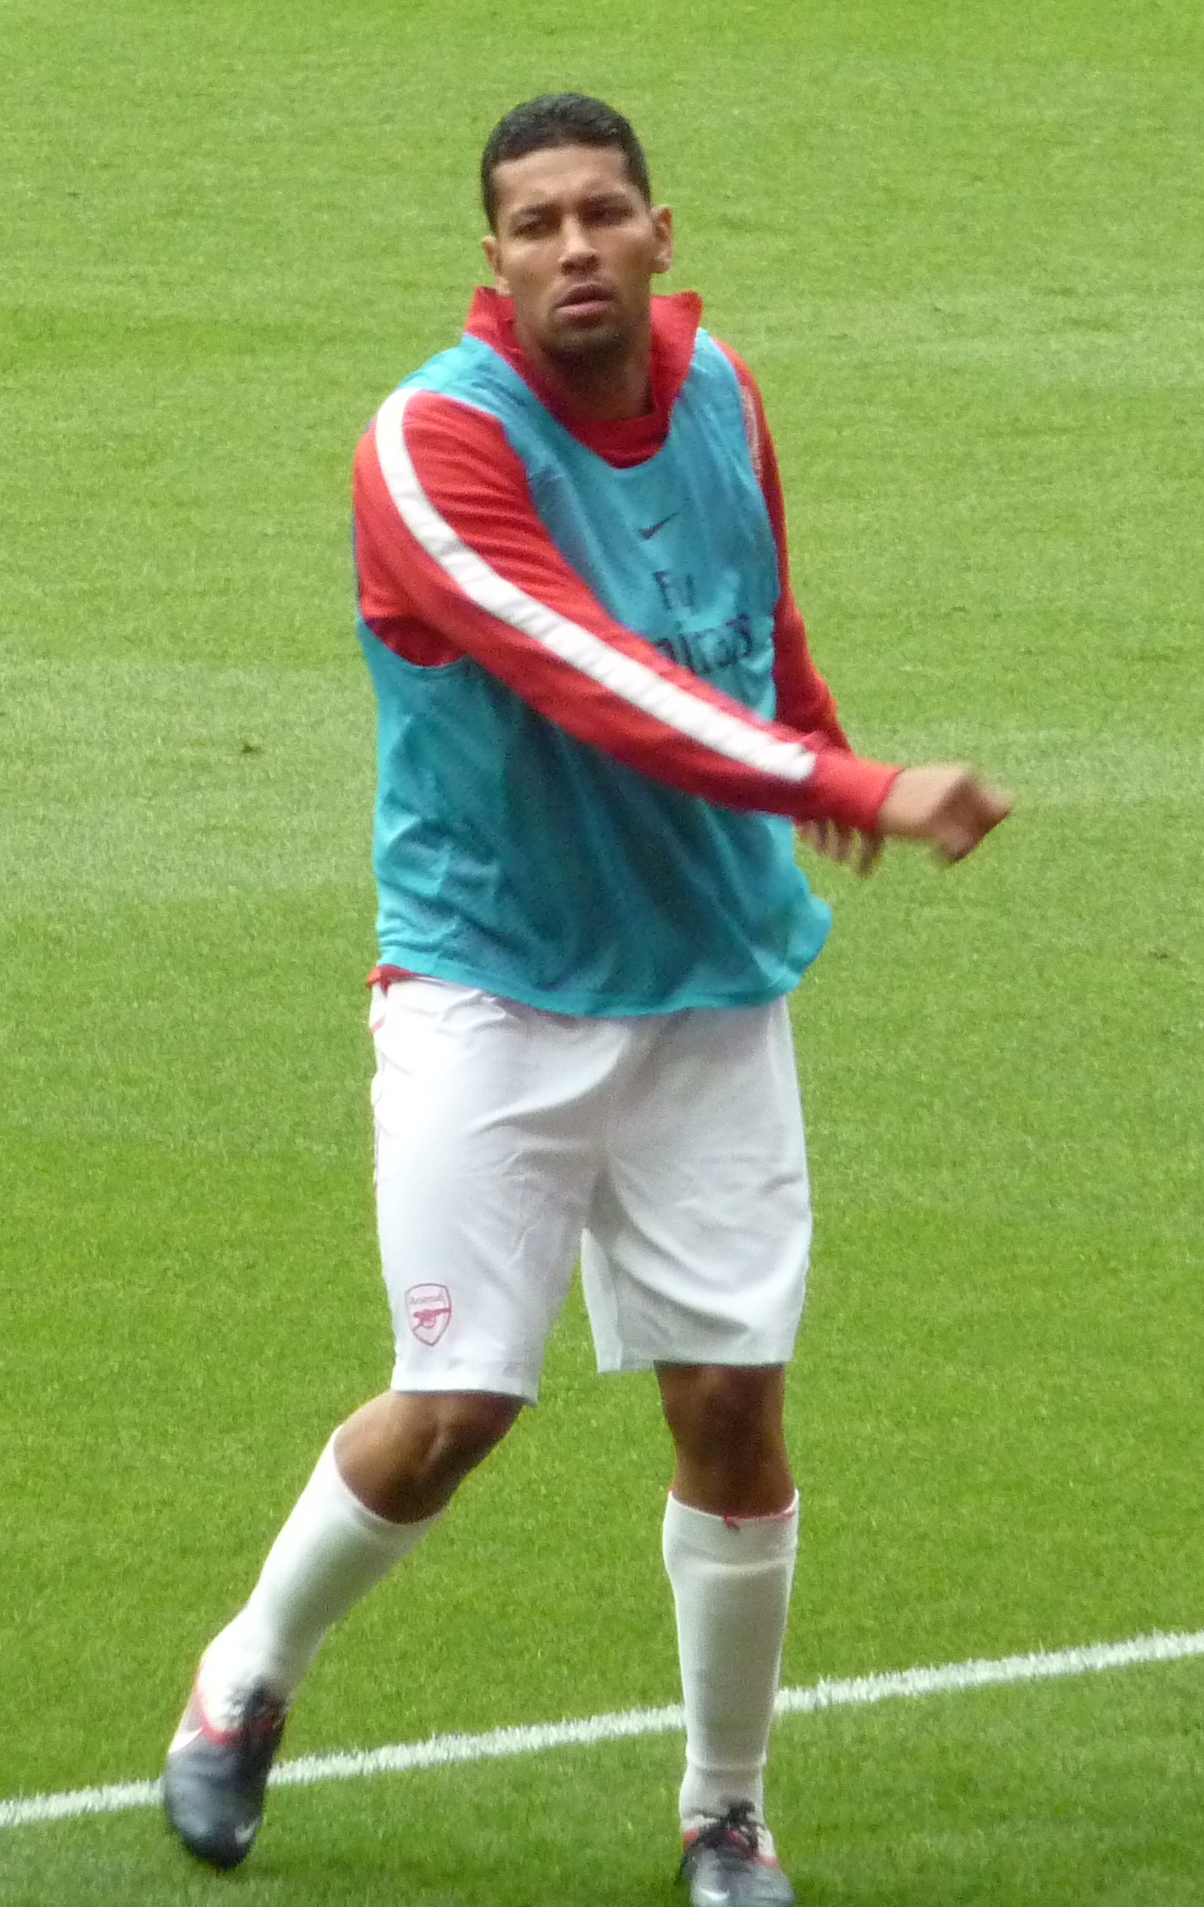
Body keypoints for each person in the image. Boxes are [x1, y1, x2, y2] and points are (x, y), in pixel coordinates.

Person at [162, 93, 1009, 1906]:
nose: (570, 249)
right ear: (491, 262)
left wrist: (821, 744)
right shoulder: (431, 449)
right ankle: (246, 1678)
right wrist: (853, 792)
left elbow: (743, 614)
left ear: (657, 234)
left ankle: (724, 1815)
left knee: (734, 1419)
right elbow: (591, 672)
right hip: (493, 987)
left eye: (600, 216)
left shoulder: (722, 394)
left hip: (707, 983)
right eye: (533, 224)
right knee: (457, 1402)